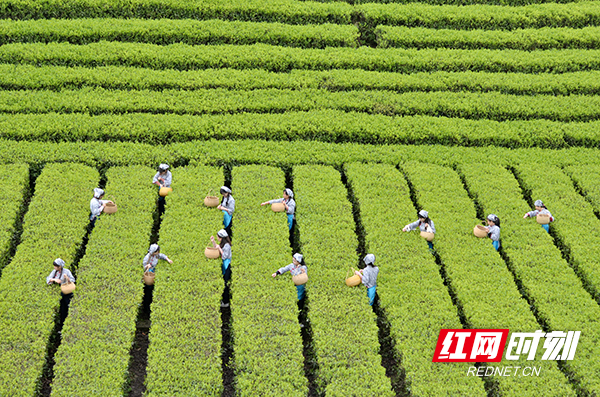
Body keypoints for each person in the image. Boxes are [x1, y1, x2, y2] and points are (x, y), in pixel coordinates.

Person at [46, 258, 76, 327]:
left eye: (56, 266)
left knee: (68, 307)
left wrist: (67, 278)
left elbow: (73, 280)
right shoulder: (54, 272)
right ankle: (62, 325)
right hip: (59, 292)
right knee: (62, 310)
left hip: (66, 292)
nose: (54, 267)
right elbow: (48, 279)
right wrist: (54, 280)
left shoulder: (66, 271)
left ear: (60, 266)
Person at [210, 229, 232, 308]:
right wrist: (213, 241)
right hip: (224, 265)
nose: (217, 238)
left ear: (221, 238)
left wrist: (219, 248)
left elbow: (224, 256)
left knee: (225, 284)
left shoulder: (227, 245)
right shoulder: (223, 243)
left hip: (227, 266)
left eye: (218, 237)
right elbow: (216, 247)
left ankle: (226, 302)